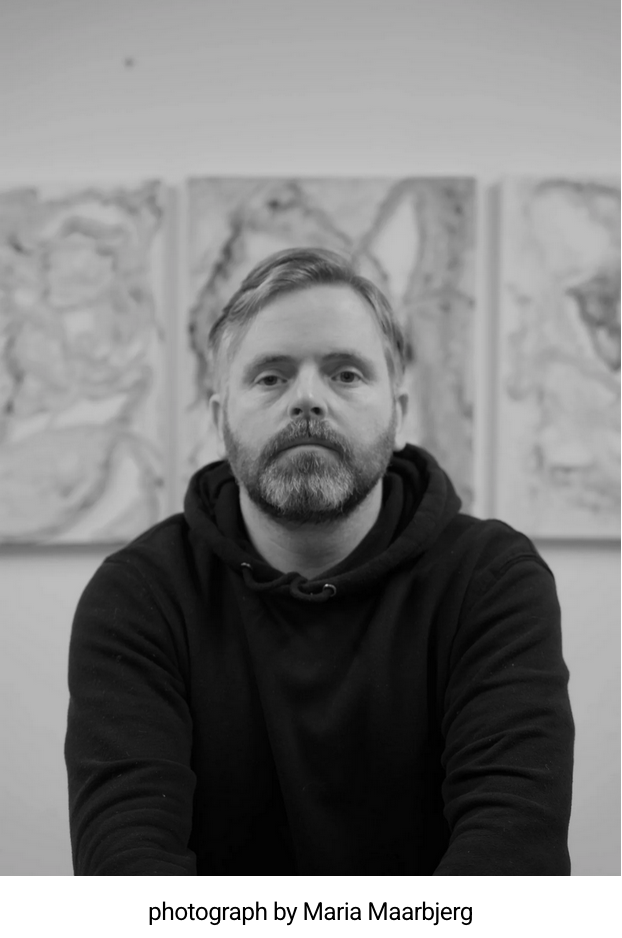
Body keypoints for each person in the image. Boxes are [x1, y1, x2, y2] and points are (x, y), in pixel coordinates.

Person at [65, 247, 574, 875]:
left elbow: (513, 862)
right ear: (222, 421)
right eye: (270, 377)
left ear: (399, 415)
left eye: (346, 374)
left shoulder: (491, 581)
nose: (308, 399)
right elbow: (126, 877)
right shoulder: (139, 596)